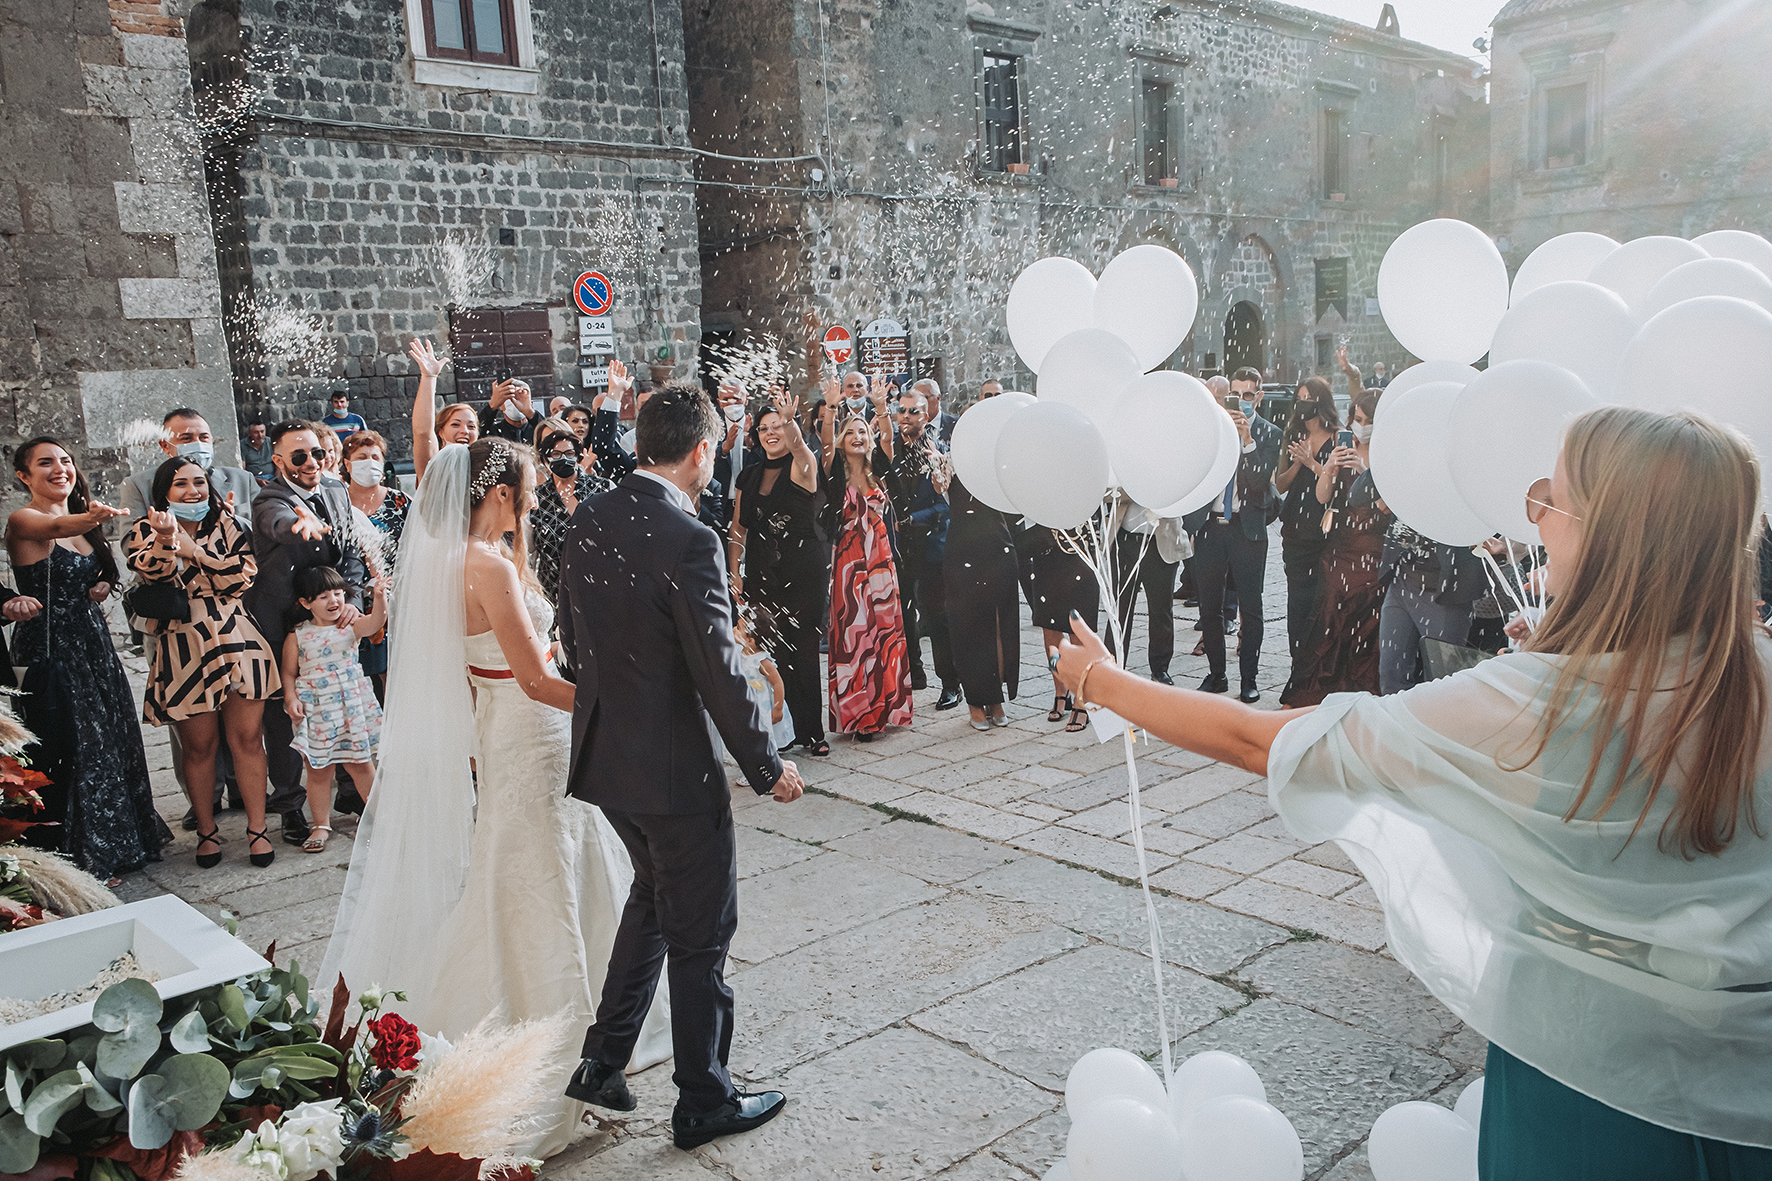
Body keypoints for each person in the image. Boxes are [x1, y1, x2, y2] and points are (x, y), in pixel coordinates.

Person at [1054, 405, 1772, 1181]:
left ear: (1613, 538)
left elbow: (1262, 739)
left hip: (1582, 1082)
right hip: (1744, 1084)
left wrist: (1103, 681)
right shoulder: (1751, 675)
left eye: (1551, 500)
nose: (1535, 519)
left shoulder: (1534, 702)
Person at [320, 437, 673, 1160]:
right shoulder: (486, 565)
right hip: (535, 731)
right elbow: (538, 680)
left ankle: (555, 1020)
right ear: (501, 492)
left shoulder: (444, 563)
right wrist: (626, 709)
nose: (539, 495)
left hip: (501, 732)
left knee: (515, 868)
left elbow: (475, 674)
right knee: (542, 868)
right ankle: (563, 1035)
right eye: (531, 485)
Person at [558, 388, 805, 1152]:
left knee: (656, 904)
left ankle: (603, 1057)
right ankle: (704, 1096)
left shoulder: (589, 518)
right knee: (702, 933)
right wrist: (766, 764)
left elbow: (571, 638)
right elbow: (720, 669)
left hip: (607, 760)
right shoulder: (689, 537)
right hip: (672, 774)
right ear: (701, 451)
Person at [6, 439, 165, 885]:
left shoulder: (81, 523)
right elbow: (55, 531)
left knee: (113, 733)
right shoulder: (26, 519)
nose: (60, 468)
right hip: (53, 648)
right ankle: (88, 853)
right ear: (24, 476)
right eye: (45, 463)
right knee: (81, 743)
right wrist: (95, 515)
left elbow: (98, 571)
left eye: (65, 460)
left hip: (93, 644)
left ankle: (128, 839)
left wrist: (100, 584)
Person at [124, 456, 280, 870]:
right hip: (183, 646)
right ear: (165, 492)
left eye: (199, 483)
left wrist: (195, 554)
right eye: (181, 485)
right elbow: (153, 574)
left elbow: (241, 577)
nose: (193, 491)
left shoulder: (229, 525)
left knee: (247, 740)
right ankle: (207, 831)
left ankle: (258, 829)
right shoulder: (143, 530)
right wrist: (169, 542)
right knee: (199, 747)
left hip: (237, 640)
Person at [246, 421, 367, 845]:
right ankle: (290, 805)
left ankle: (350, 791)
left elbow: (350, 550)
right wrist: (299, 525)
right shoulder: (269, 499)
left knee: (345, 700)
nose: (311, 462)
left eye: (317, 452)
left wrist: (352, 602)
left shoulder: (335, 490)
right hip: (283, 626)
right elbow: (277, 524)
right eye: (299, 456)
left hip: (333, 621)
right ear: (278, 460)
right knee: (288, 717)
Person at [729, 388, 829, 756]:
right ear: (755, 435)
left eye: (778, 426)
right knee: (768, 650)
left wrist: (791, 423)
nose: (772, 433)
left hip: (802, 567)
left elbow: (802, 450)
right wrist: (734, 569)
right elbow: (738, 527)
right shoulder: (749, 476)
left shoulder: (803, 465)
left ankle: (812, 731)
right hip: (760, 569)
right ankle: (781, 729)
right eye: (765, 428)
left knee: (803, 647)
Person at [1282, 393, 1390, 706]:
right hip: (1340, 547)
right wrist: (1328, 468)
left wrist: (1363, 471)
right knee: (1327, 622)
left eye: (1367, 420)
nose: (1361, 426)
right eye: (1356, 418)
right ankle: (1319, 688)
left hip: (1372, 548)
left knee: (1366, 625)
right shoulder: (1343, 449)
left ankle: (1361, 691)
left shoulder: (1387, 456)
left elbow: (1386, 507)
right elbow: (1321, 497)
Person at [1183, 366, 1281, 702]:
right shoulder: (1209, 430)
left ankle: (1248, 679)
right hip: (1210, 525)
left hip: (1246, 527)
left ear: (1259, 397)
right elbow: (1192, 475)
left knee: (1250, 607)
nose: (1239, 401)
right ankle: (1217, 674)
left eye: (1247, 395)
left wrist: (1247, 441)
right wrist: (1190, 524)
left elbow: (1258, 483)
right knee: (1209, 606)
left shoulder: (1269, 433)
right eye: (1233, 395)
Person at [821, 395, 912, 741]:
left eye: (862, 431)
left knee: (885, 632)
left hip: (881, 560)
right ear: (842, 442)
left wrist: (880, 408)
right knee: (854, 633)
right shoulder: (833, 474)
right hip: (848, 562)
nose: (857, 437)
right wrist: (831, 410)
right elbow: (824, 442)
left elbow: (887, 437)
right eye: (850, 433)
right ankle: (861, 715)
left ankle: (887, 707)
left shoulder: (881, 470)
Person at [283, 565, 385, 855]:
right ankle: (321, 824)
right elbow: (288, 673)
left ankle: (382, 819)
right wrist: (290, 698)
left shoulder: (350, 627)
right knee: (318, 769)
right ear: (305, 603)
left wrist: (379, 597)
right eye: (323, 596)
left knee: (361, 765)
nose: (334, 601)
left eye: (338, 593)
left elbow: (376, 622)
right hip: (317, 710)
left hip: (350, 707)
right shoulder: (298, 636)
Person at [885, 387, 957, 704]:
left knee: (936, 618)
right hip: (898, 548)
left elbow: (945, 507)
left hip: (931, 548)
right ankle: (914, 672)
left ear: (925, 415)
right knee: (901, 614)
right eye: (901, 410)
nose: (906, 416)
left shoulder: (939, 452)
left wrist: (912, 519)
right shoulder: (887, 453)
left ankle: (951, 683)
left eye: (913, 411)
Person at [1274, 377, 1342, 677]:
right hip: (1296, 532)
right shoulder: (1293, 434)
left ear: (1321, 402)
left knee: (1322, 605)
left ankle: (1319, 670)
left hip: (1324, 531)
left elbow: (1338, 486)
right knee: (1297, 605)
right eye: (1299, 397)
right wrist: (1299, 462)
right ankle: (1298, 669)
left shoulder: (1338, 438)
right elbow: (1280, 483)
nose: (1303, 403)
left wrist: (1314, 462)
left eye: (1309, 398)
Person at [943, 472, 1020, 730]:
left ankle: (995, 698)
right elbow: (941, 491)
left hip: (997, 542)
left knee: (999, 624)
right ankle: (976, 701)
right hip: (962, 545)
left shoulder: (994, 461)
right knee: (968, 626)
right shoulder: (947, 458)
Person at [1378, 520, 1487, 696]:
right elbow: (1357, 496)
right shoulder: (1403, 493)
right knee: (1390, 674)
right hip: (1402, 582)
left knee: (1442, 681)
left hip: (1448, 590)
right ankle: (1397, 722)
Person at [341, 430, 408, 699]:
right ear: (347, 464)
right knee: (366, 681)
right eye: (361, 457)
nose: (369, 462)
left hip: (398, 599)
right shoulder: (337, 502)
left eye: (374, 457)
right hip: (355, 604)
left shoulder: (400, 502)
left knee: (398, 675)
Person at [121, 408, 257, 528]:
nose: (198, 444)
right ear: (165, 445)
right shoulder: (139, 486)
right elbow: (130, 544)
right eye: (186, 439)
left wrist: (230, 521)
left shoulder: (243, 479)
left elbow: (262, 536)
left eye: (204, 438)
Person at [1023, 522, 1100, 733]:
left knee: (1077, 629)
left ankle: (1081, 699)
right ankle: (1060, 690)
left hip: (1079, 549)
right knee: (1050, 627)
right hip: (1046, 552)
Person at [1109, 492, 1187, 685]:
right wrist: (1135, 490)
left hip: (1160, 543)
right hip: (1125, 541)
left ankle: (1160, 669)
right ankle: (1113, 665)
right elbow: (1106, 495)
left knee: (1161, 610)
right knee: (1119, 609)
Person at [533, 416, 610, 606]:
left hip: (602, 589)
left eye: (569, 453)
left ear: (578, 456)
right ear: (545, 459)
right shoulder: (536, 499)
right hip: (556, 594)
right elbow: (529, 553)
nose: (564, 459)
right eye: (556, 455)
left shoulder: (602, 488)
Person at [407, 337, 480, 484]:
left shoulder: (485, 468)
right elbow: (422, 433)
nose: (464, 431)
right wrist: (429, 377)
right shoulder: (434, 465)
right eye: (455, 424)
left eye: (471, 426)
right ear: (440, 432)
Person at [481, 373, 541, 443]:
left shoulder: (538, 431)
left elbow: (552, 435)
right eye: (509, 399)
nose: (514, 402)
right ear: (501, 405)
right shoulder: (494, 433)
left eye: (519, 397)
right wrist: (492, 406)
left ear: (531, 403)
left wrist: (530, 413)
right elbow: (476, 434)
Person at [911, 377, 959, 445]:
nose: (920, 403)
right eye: (917, 399)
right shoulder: (911, 427)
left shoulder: (955, 424)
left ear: (938, 398)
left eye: (925, 398)